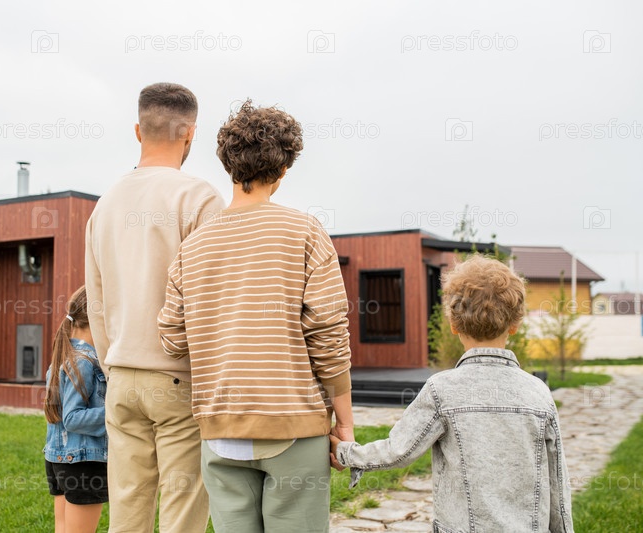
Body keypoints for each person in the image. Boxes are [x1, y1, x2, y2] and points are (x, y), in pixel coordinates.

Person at [158, 100, 355, 533]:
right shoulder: (305, 232)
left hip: (219, 431)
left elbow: (172, 337)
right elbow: (328, 335)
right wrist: (344, 421)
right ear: (283, 170)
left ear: (228, 166)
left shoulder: (192, 247)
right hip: (293, 427)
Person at [331, 255, 574, 532]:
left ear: (453, 325)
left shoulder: (441, 390)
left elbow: (398, 451)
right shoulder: (538, 393)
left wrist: (346, 453)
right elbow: (557, 481)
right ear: (515, 325)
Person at [85, 82, 225, 533]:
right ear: (190, 133)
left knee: (127, 510)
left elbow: (96, 302)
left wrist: (113, 364)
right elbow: (212, 303)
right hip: (179, 377)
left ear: (137, 130)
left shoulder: (105, 204)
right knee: (182, 512)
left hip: (121, 376)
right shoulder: (200, 198)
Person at [43, 286, 108, 533]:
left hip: (59, 459)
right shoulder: (84, 361)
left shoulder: (63, 356)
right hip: (83, 463)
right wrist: (117, 412)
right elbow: (72, 418)